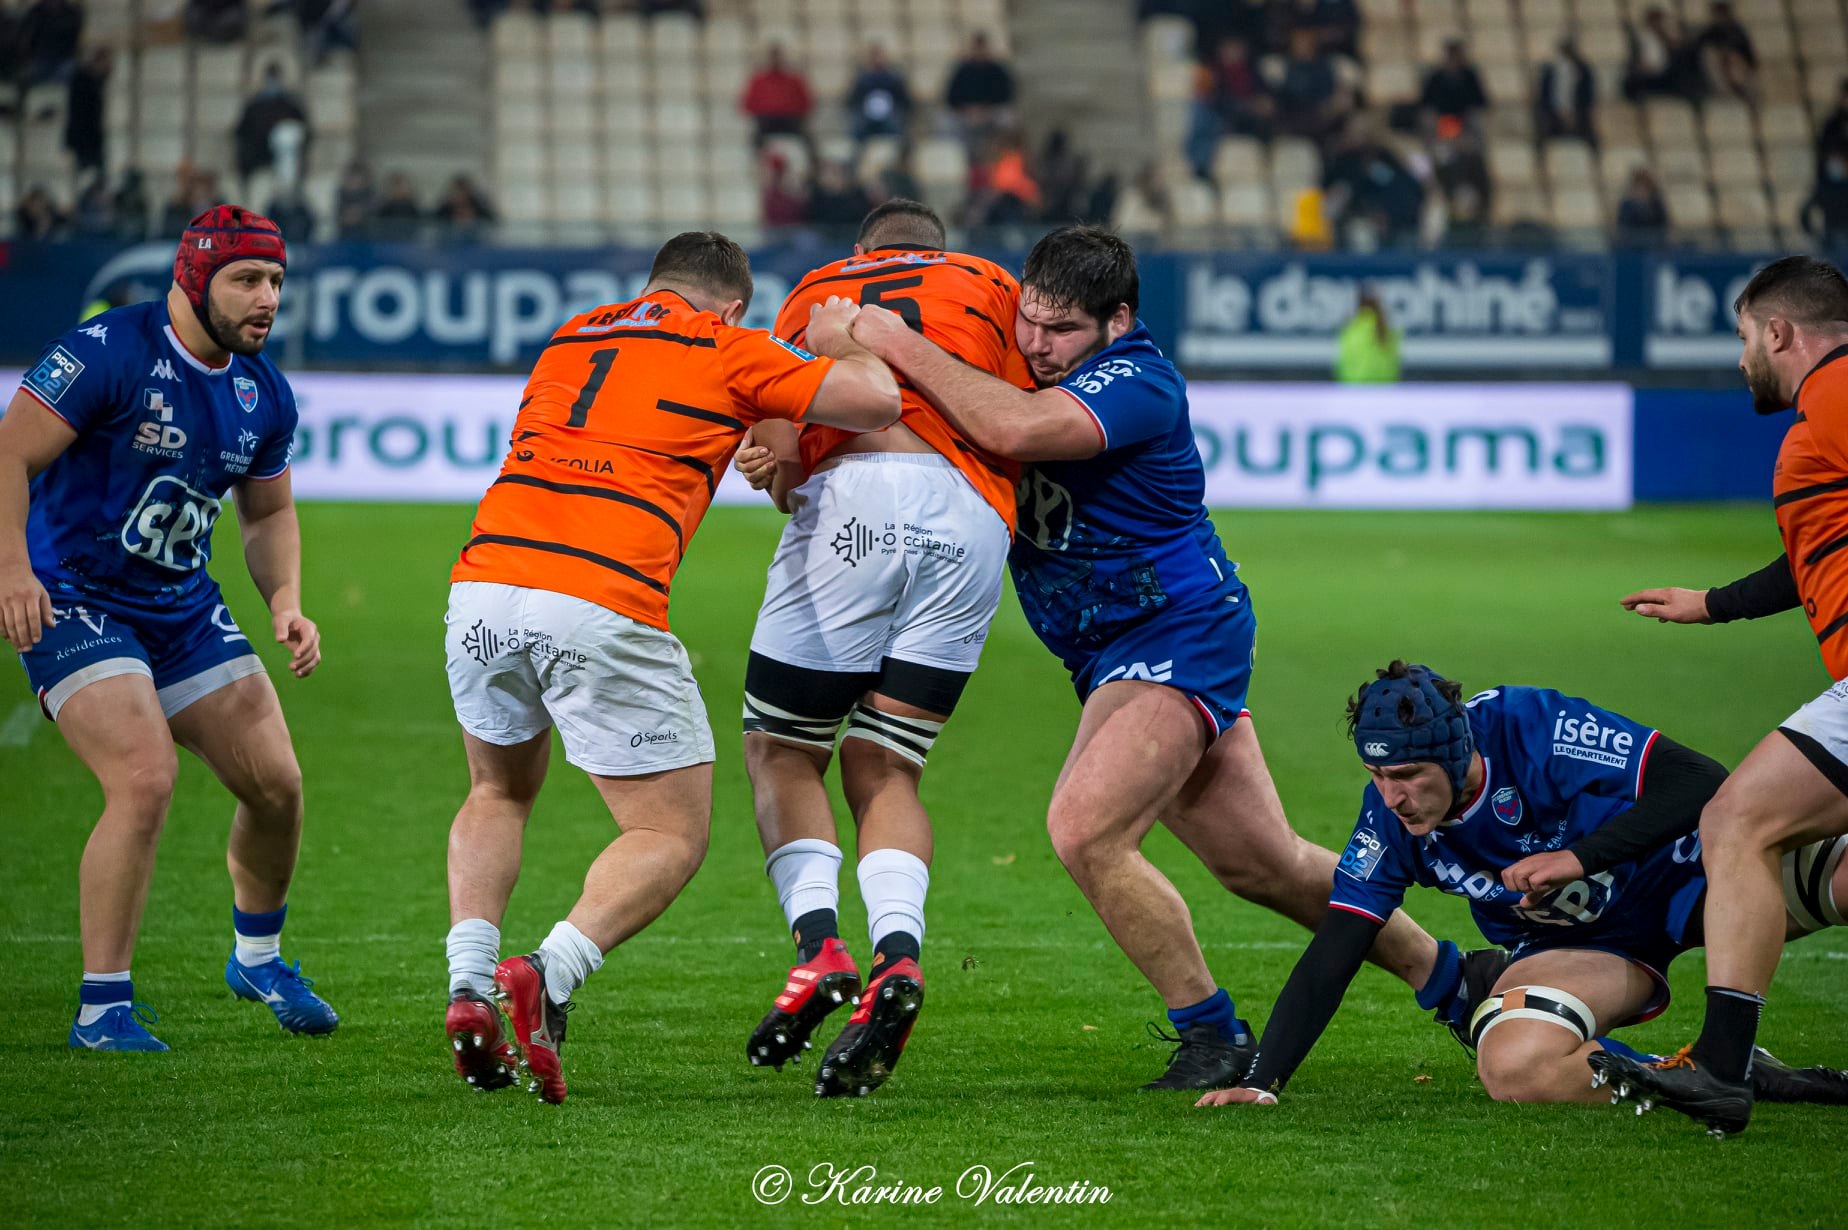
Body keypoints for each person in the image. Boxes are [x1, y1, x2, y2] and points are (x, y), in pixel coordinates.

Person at [843, 226, 1474, 1089]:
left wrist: (892, 339)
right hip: (1112, 650)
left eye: (1061, 329)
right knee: (1264, 861)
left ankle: (1212, 1034)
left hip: (1177, 631)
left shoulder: (1138, 379)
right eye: (1029, 320)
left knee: (1085, 829)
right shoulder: (1031, 360)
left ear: (1118, 320)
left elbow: (1016, 429)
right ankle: (1454, 981)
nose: (1035, 343)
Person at [439, 232, 901, 1104]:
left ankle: (467, 984)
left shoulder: (574, 335)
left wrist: (749, 440)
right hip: (599, 596)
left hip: (485, 582)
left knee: (495, 792)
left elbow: (632, 433)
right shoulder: (728, 344)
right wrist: (840, 338)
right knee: (668, 833)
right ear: (733, 305)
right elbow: (874, 401)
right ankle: (550, 969)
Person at [1195, 662, 1848, 1112]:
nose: (1393, 795)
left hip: (1690, 872)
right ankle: (1711, 1067)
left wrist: (1578, 857)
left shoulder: (1530, 724)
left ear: (1455, 754)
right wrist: (1264, 1080)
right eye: (1377, 773)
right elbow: (1336, 948)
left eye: (1410, 775)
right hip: (1588, 950)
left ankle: (1723, 1052)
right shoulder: (1387, 820)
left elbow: (1699, 781)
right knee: (1513, 1068)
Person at [0, 206, 335, 1051]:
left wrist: (286, 600)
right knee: (144, 777)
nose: (267, 299)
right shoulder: (109, 350)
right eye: (248, 280)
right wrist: (12, 573)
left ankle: (256, 959)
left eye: (277, 282)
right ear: (194, 278)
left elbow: (268, 513)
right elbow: (9, 454)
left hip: (180, 607)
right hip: (74, 595)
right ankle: (102, 1005)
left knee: (277, 785)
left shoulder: (264, 391)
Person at [729, 200, 1027, 1098]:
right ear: (943, 251)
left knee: (782, 752)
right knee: (888, 765)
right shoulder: (996, 290)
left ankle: (821, 949)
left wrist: (772, 466)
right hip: (973, 519)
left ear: (862, 252)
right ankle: (898, 956)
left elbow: (780, 446)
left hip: (857, 496)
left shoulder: (813, 294)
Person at [1598, 256, 1848, 1134]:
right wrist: (1713, 605)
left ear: (1778, 332)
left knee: (1736, 821)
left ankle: (1722, 1066)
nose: (1741, 357)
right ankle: (1725, 1067)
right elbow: (1815, 554)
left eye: (1744, 336)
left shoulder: (1842, 392)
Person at [739, 44, 812, 148]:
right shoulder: (759, 80)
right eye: (773, 57)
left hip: (790, 119)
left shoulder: (794, 79)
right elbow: (748, 103)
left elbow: (806, 101)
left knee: (806, 139)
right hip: (766, 119)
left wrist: (796, 113)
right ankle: (759, 161)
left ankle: (813, 162)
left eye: (777, 57)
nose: (775, 60)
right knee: (756, 139)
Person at [847, 45, 910, 146]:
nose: (878, 60)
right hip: (867, 116)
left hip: (889, 116)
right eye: (875, 57)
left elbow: (904, 100)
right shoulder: (863, 78)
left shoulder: (893, 78)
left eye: (880, 56)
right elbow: (853, 99)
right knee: (857, 130)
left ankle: (899, 156)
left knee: (897, 131)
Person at [1335, 290, 1399, 382]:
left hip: (1354, 388)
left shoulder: (1350, 330)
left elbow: (1341, 363)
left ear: (1359, 305)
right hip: (1383, 389)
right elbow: (1394, 364)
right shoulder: (1389, 331)